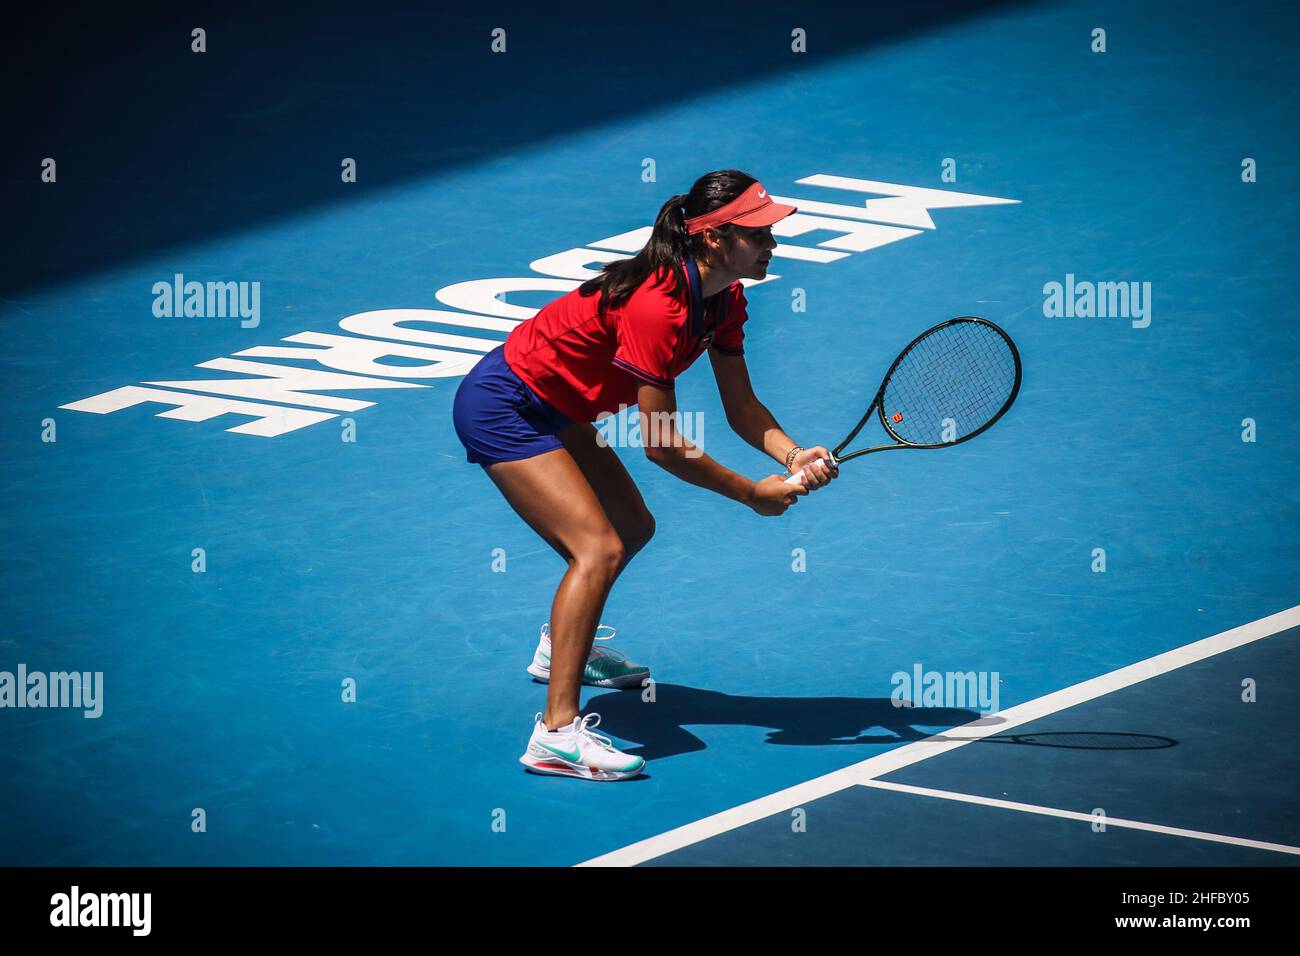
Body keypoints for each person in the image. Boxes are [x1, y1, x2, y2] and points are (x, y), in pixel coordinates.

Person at [452, 169, 837, 781]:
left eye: (772, 232)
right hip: (506, 405)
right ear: (714, 239)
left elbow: (742, 408)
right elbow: (659, 445)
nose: (773, 244)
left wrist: (792, 457)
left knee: (633, 525)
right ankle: (555, 734)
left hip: (564, 406)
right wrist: (751, 495)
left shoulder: (725, 299)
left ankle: (563, 647)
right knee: (597, 547)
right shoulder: (657, 305)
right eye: (759, 232)